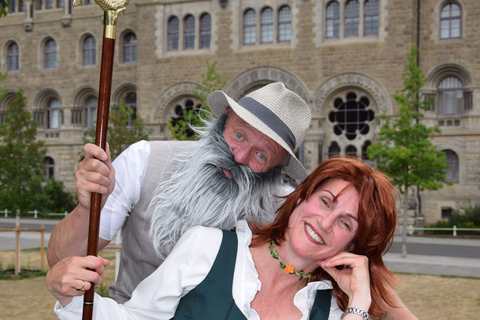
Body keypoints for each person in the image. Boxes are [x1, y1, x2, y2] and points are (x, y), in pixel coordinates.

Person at [47, 157, 410, 320]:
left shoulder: (328, 309)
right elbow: (132, 319)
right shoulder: (207, 247)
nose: (327, 222)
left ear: (351, 246)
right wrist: (70, 296)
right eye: (325, 201)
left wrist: (359, 302)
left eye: (346, 223)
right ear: (300, 198)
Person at [47, 82, 312, 303]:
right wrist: (86, 208)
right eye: (240, 135)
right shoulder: (144, 161)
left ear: (278, 167)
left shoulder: (284, 211)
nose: (239, 157)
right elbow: (60, 260)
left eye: (261, 154)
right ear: (225, 118)